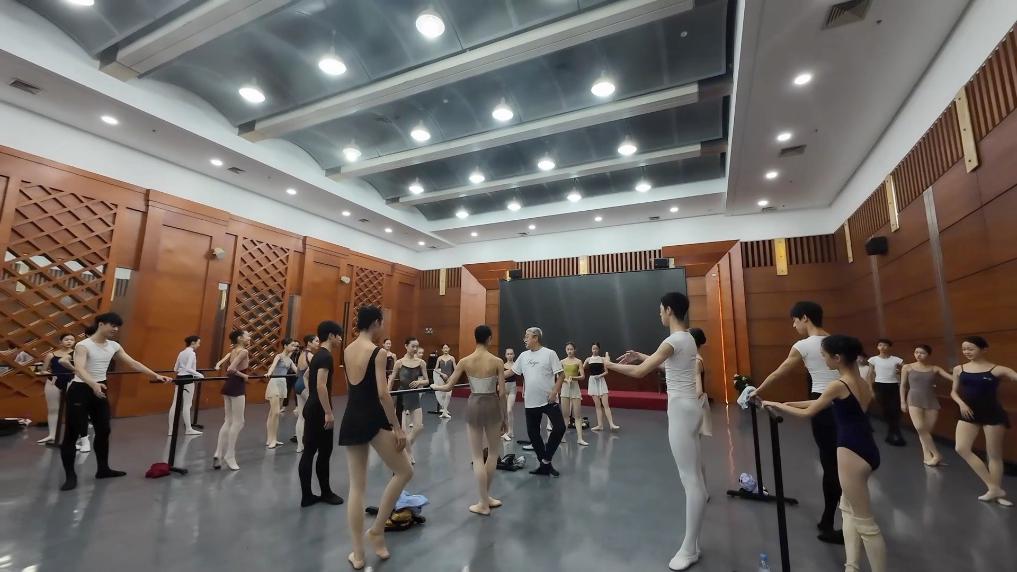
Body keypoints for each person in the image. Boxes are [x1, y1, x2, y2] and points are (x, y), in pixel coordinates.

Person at [763, 335, 886, 572]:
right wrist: (786, 403)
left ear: (837, 358)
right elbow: (821, 403)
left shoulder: (838, 385)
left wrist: (777, 405)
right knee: (847, 510)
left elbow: (808, 413)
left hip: (851, 449)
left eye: (824, 356)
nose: (823, 359)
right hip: (866, 445)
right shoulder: (859, 381)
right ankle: (851, 566)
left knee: (866, 524)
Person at [605, 292, 706, 571]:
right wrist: (640, 355)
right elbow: (668, 364)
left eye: (661, 309)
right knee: (695, 477)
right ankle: (694, 544)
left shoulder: (674, 340)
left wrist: (608, 365)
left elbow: (640, 373)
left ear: (669, 310)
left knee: (691, 480)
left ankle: (689, 549)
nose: (659, 314)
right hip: (689, 408)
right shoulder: (686, 339)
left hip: (682, 411)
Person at [751, 301, 843, 544]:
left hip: (823, 405)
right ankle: (830, 519)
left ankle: (830, 521)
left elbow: (780, 372)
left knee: (831, 464)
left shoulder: (803, 345)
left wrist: (758, 390)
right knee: (839, 461)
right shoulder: (836, 341)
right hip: (843, 402)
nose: (794, 326)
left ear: (805, 318)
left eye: (794, 320)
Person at [60, 313, 172, 491]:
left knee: (104, 430)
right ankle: (70, 476)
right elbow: (79, 368)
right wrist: (93, 384)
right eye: (112, 325)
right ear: (101, 324)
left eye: (117, 326)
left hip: (101, 388)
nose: (115, 329)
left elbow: (133, 363)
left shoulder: (114, 346)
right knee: (72, 434)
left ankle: (103, 469)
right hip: (80, 390)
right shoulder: (83, 345)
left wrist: (155, 375)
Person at [339, 305, 412, 570]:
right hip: (373, 418)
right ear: (376, 323)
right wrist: (397, 427)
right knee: (404, 471)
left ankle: (358, 555)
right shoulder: (378, 352)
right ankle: (377, 529)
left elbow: (351, 387)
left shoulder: (347, 350)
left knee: (356, 487)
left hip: (351, 417)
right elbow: (383, 393)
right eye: (382, 323)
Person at [433, 325, 507, 515]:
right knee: (493, 453)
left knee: (477, 456)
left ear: (476, 338)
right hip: (492, 405)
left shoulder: (465, 361)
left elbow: (448, 386)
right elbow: (502, 393)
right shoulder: (498, 361)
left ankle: (484, 500)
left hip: (475, 405)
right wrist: (505, 417)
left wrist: (435, 386)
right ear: (489, 339)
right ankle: (485, 499)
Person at [950, 336, 1014, 507]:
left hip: (992, 413)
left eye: (971, 348)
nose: (967, 352)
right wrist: (961, 404)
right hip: (968, 412)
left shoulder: (997, 369)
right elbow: (953, 392)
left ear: (983, 349)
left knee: (993, 455)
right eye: (964, 349)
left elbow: (1013, 375)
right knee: (961, 448)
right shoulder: (959, 369)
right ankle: (994, 488)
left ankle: (995, 492)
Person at [299, 322, 344, 508]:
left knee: (309, 451)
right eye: (339, 335)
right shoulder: (326, 356)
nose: (340, 339)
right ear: (331, 336)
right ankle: (326, 492)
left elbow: (309, 377)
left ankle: (307, 496)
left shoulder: (317, 355)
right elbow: (320, 385)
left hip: (311, 406)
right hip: (319, 410)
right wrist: (328, 412)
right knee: (324, 452)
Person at [512, 327, 566, 477]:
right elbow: (511, 372)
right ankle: (545, 464)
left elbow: (561, 375)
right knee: (533, 434)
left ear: (535, 338)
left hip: (548, 400)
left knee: (560, 428)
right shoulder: (523, 356)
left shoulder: (549, 353)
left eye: (527, 336)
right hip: (531, 401)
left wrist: (554, 391)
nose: (524, 339)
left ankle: (546, 460)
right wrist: (495, 376)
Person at [900, 344, 950, 466]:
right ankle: (937, 455)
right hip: (913, 399)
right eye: (916, 352)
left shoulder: (935, 368)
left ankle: (927, 457)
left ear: (928, 355)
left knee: (926, 431)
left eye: (922, 353)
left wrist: (961, 373)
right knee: (920, 428)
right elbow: (902, 385)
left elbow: (952, 378)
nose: (918, 355)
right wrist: (902, 401)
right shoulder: (907, 367)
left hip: (931, 400)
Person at [213, 330, 250, 471]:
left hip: (229, 385)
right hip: (236, 386)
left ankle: (218, 453)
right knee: (239, 422)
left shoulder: (233, 350)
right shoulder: (243, 351)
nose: (249, 337)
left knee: (228, 420)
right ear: (240, 338)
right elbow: (230, 368)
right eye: (247, 335)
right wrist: (244, 376)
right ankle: (229, 455)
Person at [388, 338, 429, 464]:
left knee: (418, 427)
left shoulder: (421, 362)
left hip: (414, 396)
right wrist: (387, 394)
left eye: (417, 346)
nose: (415, 349)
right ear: (406, 346)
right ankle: (409, 454)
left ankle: (405, 448)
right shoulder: (399, 362)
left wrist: (419, 382)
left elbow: (427, 380)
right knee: (403, 430)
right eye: (413, 346)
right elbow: (392, 379)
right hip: (401, 395)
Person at [37, 333, 76, 444]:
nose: (69, 341)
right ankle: (52, 435)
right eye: (66, 339)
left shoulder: (76, 354)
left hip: (71, 381)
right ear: (60, 341)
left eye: (72, 340)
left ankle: (73, 437)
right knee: (53, 409)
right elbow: (43, 370)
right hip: (53, 382)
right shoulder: (51, 355)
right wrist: (48, 373)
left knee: (72, 410)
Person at [866, 339, 906, 446]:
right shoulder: (873, 359)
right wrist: (871, 390)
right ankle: (893, 433)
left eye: (885, 345)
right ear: (877, 347)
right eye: (880, 345)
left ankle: (894, 433)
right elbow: (870, 375)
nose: (882, 347)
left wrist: (900, 372)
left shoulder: (896, 359)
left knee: (895, 410)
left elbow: (907, 368)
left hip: (893, 386)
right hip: (880, 386)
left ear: (889, 347)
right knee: (886, 410)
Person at [265, 338, 299, 448]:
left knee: (273, 413)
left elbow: (297, 371)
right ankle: (272, 439)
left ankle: (271, 439)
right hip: (275, 382)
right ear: (285, 346)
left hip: (283, 384)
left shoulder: (290, 360)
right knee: (275, 413)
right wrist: (269, 373)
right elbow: (272, 366)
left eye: (295, 346)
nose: (294, 347)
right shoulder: (278, 356)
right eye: (292, 345)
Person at [689, 327, 712, 488]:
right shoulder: (695, 359)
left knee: (694, 452)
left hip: (696, 406)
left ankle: (701, 488)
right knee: (693, 450)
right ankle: (700, 487)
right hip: (697, 405)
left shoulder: (696, 361)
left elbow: (698, 390)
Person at [168, 335, 204, 437]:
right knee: (187, 405)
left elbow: (175, 369)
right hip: (188, 379)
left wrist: (182, 369)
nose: (199, 345)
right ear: (193, 343)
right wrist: (199, 375)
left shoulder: (181, 353)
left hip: (179, 378)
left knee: (175, 404)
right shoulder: (192, 353)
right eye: (198, 343)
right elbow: (188, 368)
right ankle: (188, 429)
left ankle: (171, 430)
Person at [584, 342, 620, 431]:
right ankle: (600, 425)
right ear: (591, 349)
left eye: (596, 348)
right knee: (597, 406)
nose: (594, 350)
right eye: (593, 348)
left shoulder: (602, 359)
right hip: (592, 382)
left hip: (601, 381)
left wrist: (599, 376)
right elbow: (581, 368)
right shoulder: (588, 359)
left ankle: (611, 424)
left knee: (606, 405)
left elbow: (606, 372)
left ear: (598, 349)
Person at [293, 334, 319, 452]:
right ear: (309, 342)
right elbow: (309, 374)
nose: (318, 343)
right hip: (305, 385)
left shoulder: (301, 355)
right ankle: (312, 442)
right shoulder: (311, 356)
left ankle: (300, 445)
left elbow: (298, 372)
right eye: (316, 341)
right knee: (313, 415)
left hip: (298, 385)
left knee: (301, 416)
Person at [560, 342, 589, 446]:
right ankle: (562, 437)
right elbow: (559, 377)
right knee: (565, 415)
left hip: (575, 388)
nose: (569, 351)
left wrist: (573, 378)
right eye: (568, 349)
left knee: (577, 415)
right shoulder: (562, 361)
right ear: (565, 350)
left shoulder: (578, 361)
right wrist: (565, 380)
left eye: (571, 349)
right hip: (564, 388)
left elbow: (582, 376)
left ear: (574, 350)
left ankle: (580, 439)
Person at [434, 344, 456, 419]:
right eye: (444, 348)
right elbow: (435, 369)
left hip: (450, 378)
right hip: (441, 378)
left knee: (448, 395)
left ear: (449, 349)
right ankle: (444, 410)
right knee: (443, 395)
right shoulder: (439, 358)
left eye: (447, 348)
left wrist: (451, 377)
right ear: (442, 350)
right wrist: (442, 374)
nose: (445, 349)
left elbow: (456, 369)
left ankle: (445, 410)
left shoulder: (452, 358)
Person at [502, 348, 518, 441]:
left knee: (509, 410)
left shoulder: (516, 365)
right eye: (508, 354)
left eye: (511, 354)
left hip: (512, 389)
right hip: (504, 389)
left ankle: (511, 431)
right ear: (505, 355)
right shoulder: (502, 365)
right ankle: (505, 430)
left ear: (514, 355)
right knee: (504, 411)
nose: (510, 355)